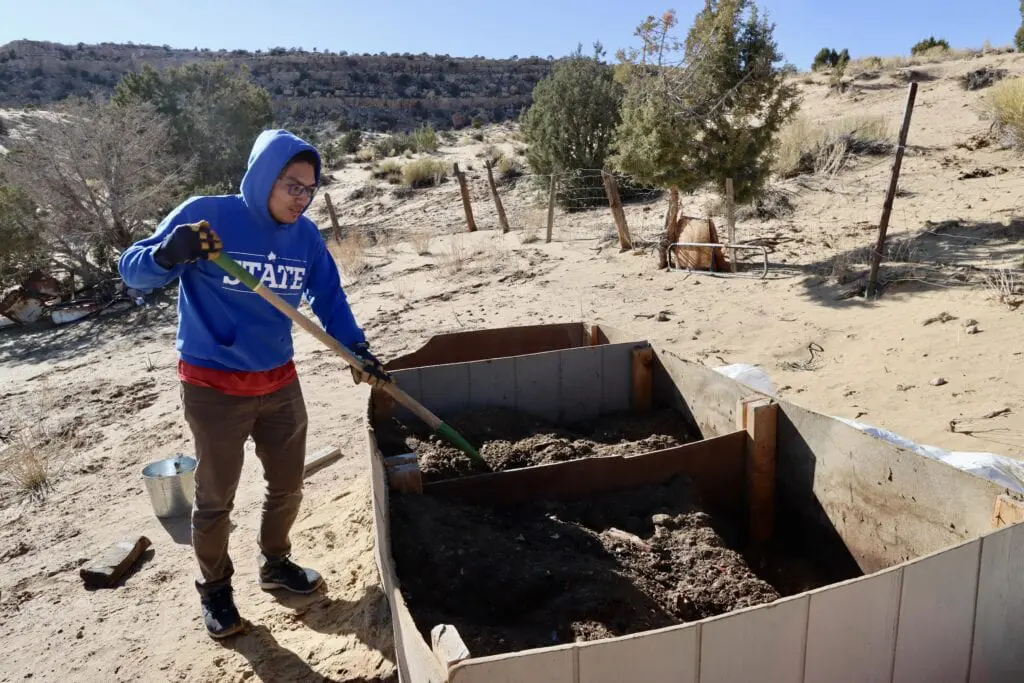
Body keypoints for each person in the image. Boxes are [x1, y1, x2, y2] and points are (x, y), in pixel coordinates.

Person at [118, 129, 392, 640]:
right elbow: (132, 272)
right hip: (213, 385)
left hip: (279, 381)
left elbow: (330, 299)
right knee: (215, 497)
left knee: (287, 485)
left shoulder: (305, 237)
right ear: (264, 176)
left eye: (310, 189)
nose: (302, 198)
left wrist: (356, 350)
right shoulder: (209, 217)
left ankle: (275, 563)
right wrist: (169, 254)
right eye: (292, 185)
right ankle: (216, 590)